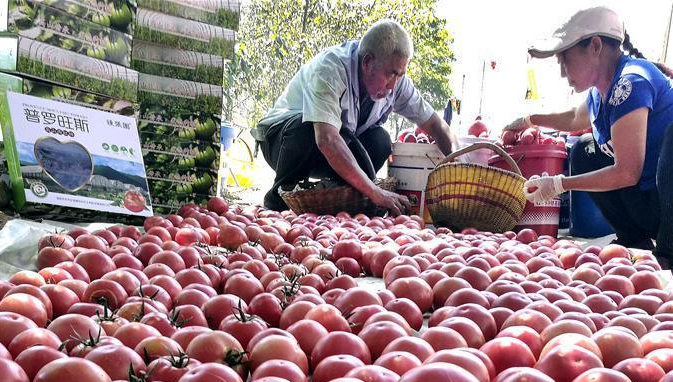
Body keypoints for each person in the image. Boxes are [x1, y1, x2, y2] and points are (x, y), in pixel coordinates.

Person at [503, 6, 673, 266]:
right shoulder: (600, 92)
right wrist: (530, 120)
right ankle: (634, 239)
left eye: (565, 60)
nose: (562, 72)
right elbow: (573, 118)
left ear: (595, 46)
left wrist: (560, 184)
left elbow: (628, 172)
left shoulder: (631, 83)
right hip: (651, 202)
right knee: (584, 150)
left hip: (665, 203)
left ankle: (668, 253)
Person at [252, 20, 457, 215]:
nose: (393, 84)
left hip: (329, 152)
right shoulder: (331, 68)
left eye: (400, 74)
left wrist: (458, 170)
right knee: (307, 127)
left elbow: (437, 125)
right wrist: (375, 192)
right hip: (283, 142)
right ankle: (278, 199)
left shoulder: (398, 82)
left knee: (380, 141)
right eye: (391, 74)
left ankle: (341, 199)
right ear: (367, 62)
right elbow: (327, 139)